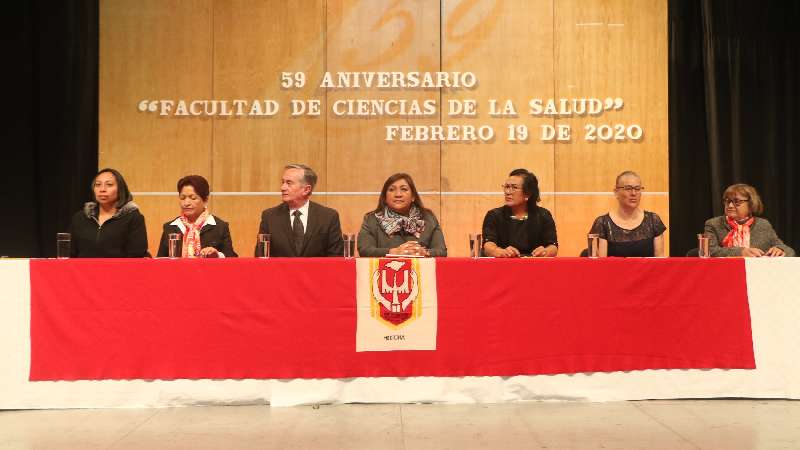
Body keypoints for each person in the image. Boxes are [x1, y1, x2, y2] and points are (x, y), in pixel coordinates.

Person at [255, 164, 343, 257]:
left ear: (306, 189)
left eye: (289, 183)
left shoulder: (328, 217)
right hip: (280, 271)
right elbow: (261, 258)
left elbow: (336, 258)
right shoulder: (269, 217)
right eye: (283, 182)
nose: (283, 188)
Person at [357, 173, 447, 257]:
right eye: (391, 190)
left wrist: (424, 252)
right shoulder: (371, 219)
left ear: (413, 197)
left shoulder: (428, 218)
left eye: (404, 189)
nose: (398, 194)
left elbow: (442, 251)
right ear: (384, 198)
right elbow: (365, 250)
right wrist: (393, 252)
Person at [69, 168, 149, 257]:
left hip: (119, 270)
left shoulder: (133, 218)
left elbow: (136, 256)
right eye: (98, 185)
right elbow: (70, 253)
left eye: (109, 185)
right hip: (83, 270)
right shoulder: (80, 218)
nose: (102, 189)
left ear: (120, 189)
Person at [482, 169, 558, 257]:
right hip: (503, 265)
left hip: (534, 266)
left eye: (514, 187)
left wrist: (545, 251)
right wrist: (499, 251)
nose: (508, 192)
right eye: (506, 187)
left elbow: (553, 246)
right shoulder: (494, 215)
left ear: (527, 194)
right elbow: (488, 245)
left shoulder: (543, 215)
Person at [588, 171, 666, 257]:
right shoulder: (602, 223)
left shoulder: (653, 221)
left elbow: (660, 263)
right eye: (628, 188)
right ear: (616, 192)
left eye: (637, 188)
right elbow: (600, 265)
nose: (633, 193)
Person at [704, 183, 794, 257]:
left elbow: (787, 249)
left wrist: (780, 250)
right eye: (727, 201)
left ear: (751, 204)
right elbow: (709, 251)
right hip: (724, 272)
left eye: (737, 202)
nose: (730, 206)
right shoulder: (713, 224)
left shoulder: (763, 225)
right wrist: (741, 252)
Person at [156, 175, 237, 258]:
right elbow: (159, 261)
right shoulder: (170, 227)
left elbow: (232, 259)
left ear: (205, 200)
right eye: (182, 198)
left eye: (193, 198)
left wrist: (217, 255)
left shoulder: (220, 227)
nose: (186, 203)